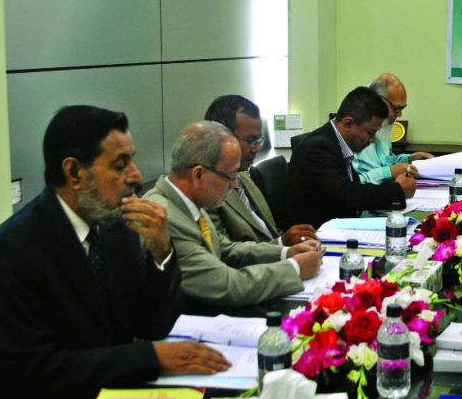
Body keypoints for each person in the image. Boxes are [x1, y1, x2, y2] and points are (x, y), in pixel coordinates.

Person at [0, 106, 230, 399]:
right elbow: (31, 370)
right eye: (120, 165)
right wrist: (149, 358)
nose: (136, 176)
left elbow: (152, 324)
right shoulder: (16, 249)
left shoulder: (114, 228)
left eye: (132, 160)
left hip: (112, 397)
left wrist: (161, 253)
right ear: (75, 173)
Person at [143, 121, 323, 315]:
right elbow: (225, 285)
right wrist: (294, 268)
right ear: (198, 175)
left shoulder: (187, 202)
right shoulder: (162, 216)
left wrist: (285, 253)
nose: (234, 184)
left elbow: (227, 249)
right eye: (229, 176)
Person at [288, 86, 417, 228]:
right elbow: (347, 195)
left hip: (341, 224)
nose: (372, 139)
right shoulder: (318, 148)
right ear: (348, 123)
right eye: (370, 132)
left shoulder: (338, 142)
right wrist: (396, 190)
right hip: (317, 235)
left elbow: (353, 189)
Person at [203, 95, 317, 245]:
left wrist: (294, 241)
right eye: (250, 141)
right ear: (221, 137)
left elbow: (269, 232)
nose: (256, 148)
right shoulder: (205, 189)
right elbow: (225, 255)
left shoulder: (242, 175)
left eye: (259, 140)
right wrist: (282, 246)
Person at [352, 73, 433, 184]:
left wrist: (409, 159)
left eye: (402, 108)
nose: (399, 114)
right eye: (397, 108)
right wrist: (387, 172)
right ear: (377, 101)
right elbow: (352, 183)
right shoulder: (353, 131)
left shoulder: (384, 127)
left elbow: (384, 161)